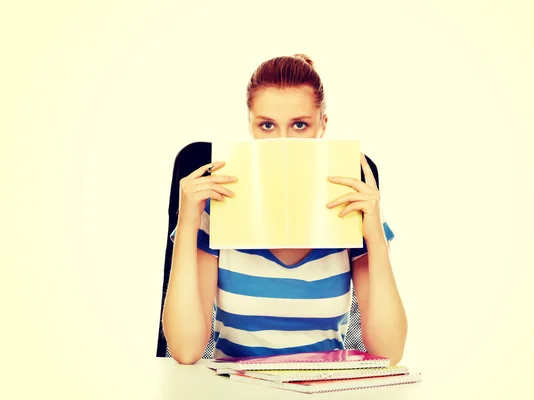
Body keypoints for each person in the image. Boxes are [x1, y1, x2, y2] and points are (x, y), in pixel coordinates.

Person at [162, 54, 408, 365]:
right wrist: (187, 225)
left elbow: (389, 353)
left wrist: (375, 240)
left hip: (322, 387)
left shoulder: (352, 209)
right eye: (267, 125)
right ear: (250, 126)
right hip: (234, 389)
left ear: (322, 126)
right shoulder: (217, 208)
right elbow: (185, 350)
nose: (283, 142)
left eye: (300, 125)